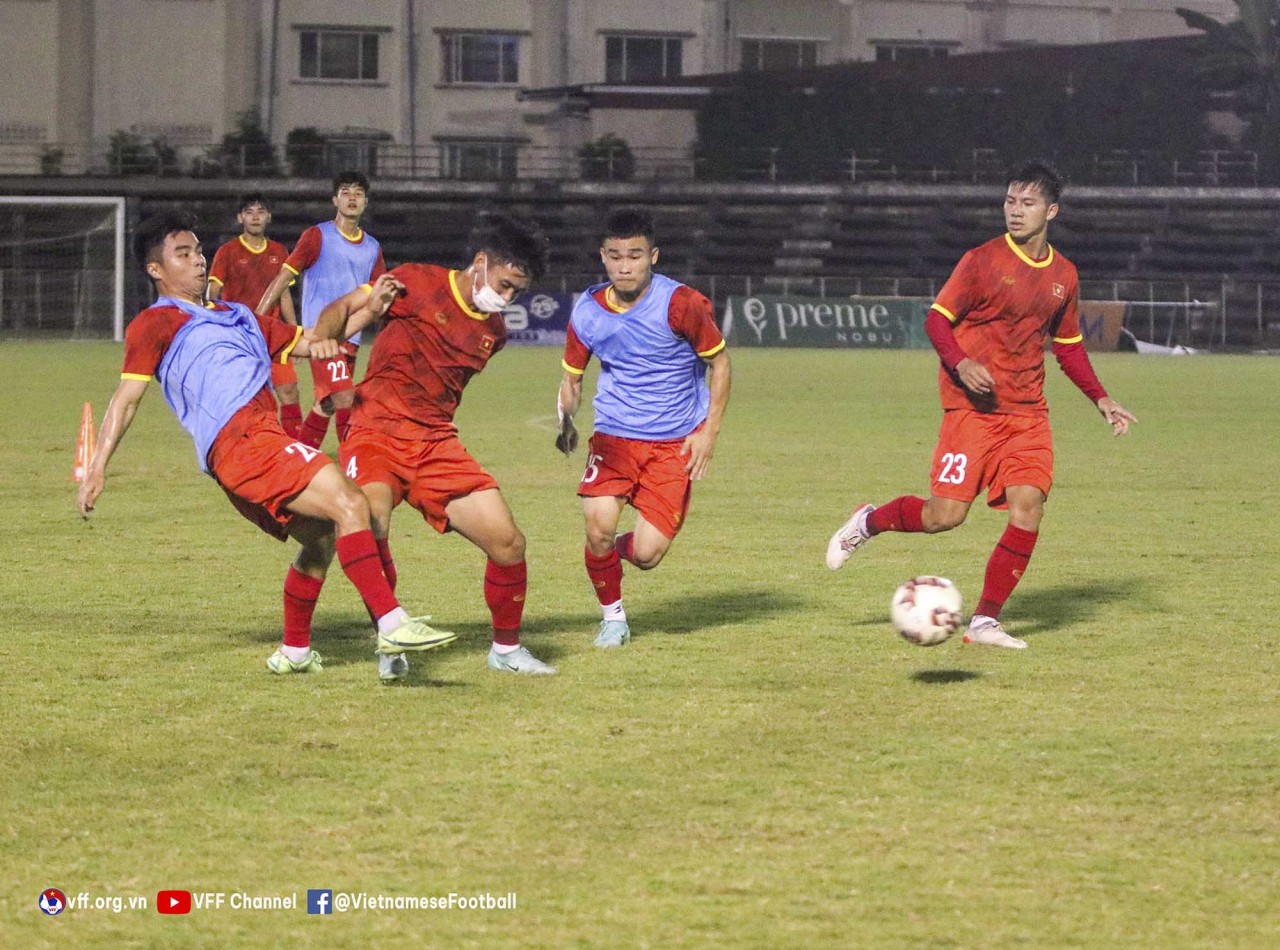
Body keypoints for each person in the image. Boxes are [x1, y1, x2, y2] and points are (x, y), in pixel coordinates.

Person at [77, 210, 454, 680]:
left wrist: (371, 307)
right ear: (156, 269)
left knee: (321, 539)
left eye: (198, 250)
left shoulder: (240, 316)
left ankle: (294, 651)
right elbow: (127, 397)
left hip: (256, 445)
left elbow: (315, 339)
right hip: (241, 441)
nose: (199, 261)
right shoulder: (156, 323)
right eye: (184, 254)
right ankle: (392, 622)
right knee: (351, 501)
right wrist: (97, 465)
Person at [825, 161, 1137, 649]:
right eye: (1010, 200)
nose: (1015, 211)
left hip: (1028, 413)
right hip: (972, 410)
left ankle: (985, 621)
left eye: (1027, 203)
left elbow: (1069, 346)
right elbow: (936, 320)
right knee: (944, 516)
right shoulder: (982, 260)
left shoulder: (1063, 275)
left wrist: (1101, 397)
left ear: (1051, 211)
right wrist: (960, 363)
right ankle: (868, 521)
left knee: (1028, 505)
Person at [313, 211, 556, 678]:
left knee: (508, 543)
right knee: (372, 522)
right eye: (504, 285)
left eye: (516, 293)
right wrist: (351, 331)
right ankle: (391, 637)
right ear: (481, 262)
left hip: (435, 443)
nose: (506, 298)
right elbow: (337, 320)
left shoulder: (494, 334)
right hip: (376, 431)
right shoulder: (413, 281)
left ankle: (505, 651)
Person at [555, 208, 732, 648]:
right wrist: (567, 419)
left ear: (653, 255)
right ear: (603, 257)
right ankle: (613, 618)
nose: (624, 265)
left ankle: (604, 559)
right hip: (614, 437)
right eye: (615, 256)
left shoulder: (682, 304)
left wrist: (709, 431)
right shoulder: (588, 311)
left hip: (674, 444)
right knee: (598, 527)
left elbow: (721, 364)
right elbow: (572, 378)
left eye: (634, 255)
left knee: (648, 555)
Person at [256, 170, 384, 449]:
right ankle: (355, 461)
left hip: (351, 336)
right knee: (344, 397)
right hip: (321, 338)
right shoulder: (317, 236)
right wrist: (257, 321)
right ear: (335, 200)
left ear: (366, 202)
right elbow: (283, 278)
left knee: (326, 402)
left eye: (358, 194)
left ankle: (298, 456)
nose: (352, 198)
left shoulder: (373, 248)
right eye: (346, 192)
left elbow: (378, 298)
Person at [206, 193, 301, 437]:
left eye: (260, 211)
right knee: (245, 396)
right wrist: (215, 324)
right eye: (249, 212)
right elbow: (213, 291)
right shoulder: (227, 251)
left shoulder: (279, 251)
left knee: (289, 390)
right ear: (240, 218)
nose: (255, 216)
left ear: (268, 216)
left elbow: (284, 296)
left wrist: (293, 332)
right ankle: (244, 443)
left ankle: (294, 447)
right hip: (240, 336)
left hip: (273, 335)